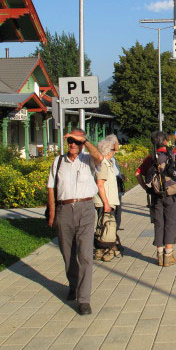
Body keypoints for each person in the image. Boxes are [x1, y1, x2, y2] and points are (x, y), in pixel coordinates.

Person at [47, 129, 103, 315]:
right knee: (67, 252)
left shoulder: (88, 160)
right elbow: (51, 188)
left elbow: (100, 157)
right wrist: (52, 213)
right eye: (70, 141)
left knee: (85, 255)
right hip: (64, 209)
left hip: (85, 209)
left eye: (76, 141)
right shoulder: (58, 162)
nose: (72, 144)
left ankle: (84, 299)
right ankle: (73, 284)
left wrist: (85, 140)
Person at [136, 131, 176, 267]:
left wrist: (146, 188)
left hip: (156, 196)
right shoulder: (172, 156)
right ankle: (168, 255)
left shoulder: (151, 158)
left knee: (159, 223)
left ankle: (160, 256)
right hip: (172, 195)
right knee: (171, 222)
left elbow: (137, 173)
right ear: (165, 142)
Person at [104, 134, 123, 230]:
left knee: (118, 210)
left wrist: (120, 174)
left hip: (117, 185)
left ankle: (115, 230)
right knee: (115, 211)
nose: (118, 145)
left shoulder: (113, 157)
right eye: (117, 143)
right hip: (112, 188)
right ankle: (111, 233)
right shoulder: (108, 158)